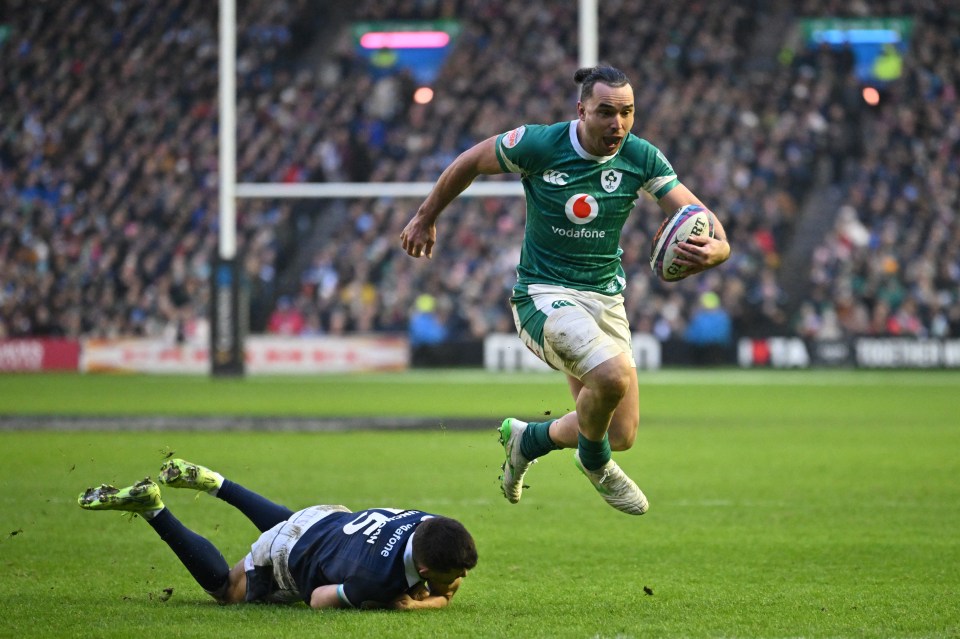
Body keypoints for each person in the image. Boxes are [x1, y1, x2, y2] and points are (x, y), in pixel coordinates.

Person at [400, 65, 731, 515]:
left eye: (628, 113)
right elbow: (470, 161)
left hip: (605, 299)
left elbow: (699, 214)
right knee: (610, 382)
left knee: (621, 433)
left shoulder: (640, 156)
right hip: (543, 294)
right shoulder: (540, 143)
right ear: (582, 111)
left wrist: (720, 248)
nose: (618, 124)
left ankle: (528, 439)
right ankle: (596, 466)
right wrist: (425, 215)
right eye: (606, 112)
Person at [78, 459, 477, 610]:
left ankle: (216, 482)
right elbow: (320, 599)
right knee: (225, 589)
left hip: (324, 517)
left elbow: (442, 568)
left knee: (294, 525)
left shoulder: (432, 524)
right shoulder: (377, 579)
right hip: (289, 554)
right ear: (424, 568)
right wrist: (405, 602)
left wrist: (434, 588)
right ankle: (153, 508)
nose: (461, 580)